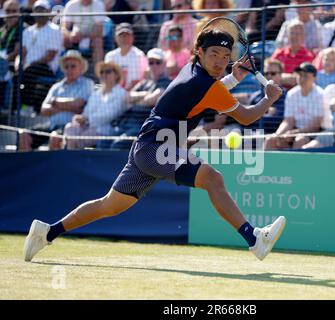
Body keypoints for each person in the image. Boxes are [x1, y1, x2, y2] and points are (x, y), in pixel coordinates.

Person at [23, 28, 286, 262]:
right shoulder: (207, 85)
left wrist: (235, 78)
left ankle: (47, 232)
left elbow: (208, 95)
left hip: (147, 147)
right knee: (212, 178)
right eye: (214, 54)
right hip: (156, 148)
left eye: (225, 57)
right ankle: (254, 239)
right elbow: (247, 116)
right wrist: (269, 98)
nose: (220, 62)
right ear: (200, 52)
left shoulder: (190, 69)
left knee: (108, 205)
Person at [18, 50, 93, 151]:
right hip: (51, 125)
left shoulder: (87, 84)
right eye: (66, 67)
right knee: (24, 135)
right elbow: (43, 110)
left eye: (73, 66)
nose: (69, 69)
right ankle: (28, 165)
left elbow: (79, 106)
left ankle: (53, 167)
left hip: (71, 128)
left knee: (55, 137)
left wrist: (55, 103)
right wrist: (68, 106)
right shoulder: (56, 87)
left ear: (81, 68)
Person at [110, 48, 172, 149]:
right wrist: (146, 94)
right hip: (128, 122)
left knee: (117, 144)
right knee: (104, 141)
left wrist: (136, 100)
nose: (154, 65)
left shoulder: (168, 82)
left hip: (146, 126)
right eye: (151, 62)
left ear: (164, 64)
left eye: (158, 62)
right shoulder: (144, 83)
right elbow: (126, 97)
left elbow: (152, 100)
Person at [62, 61, 128, 149]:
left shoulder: (121, 93)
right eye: (101, 72)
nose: (104, 74)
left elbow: (109, 115)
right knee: (70, 127)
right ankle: (71, 154)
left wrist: (87, 120)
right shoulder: (96, 93)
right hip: (87, 126)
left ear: (116, 75)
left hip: (105, 130)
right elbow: (86, 111)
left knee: (76, 139)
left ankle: (69, 156)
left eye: (108, 71)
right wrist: (81, 118)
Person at [264, 62, 324, 150]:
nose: (301, 77)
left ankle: (295, 164)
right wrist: (279, 134)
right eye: (299, 74)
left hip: (316, 133)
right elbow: (288, 121)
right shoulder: (291, 94)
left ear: (314, 78)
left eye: (305, 75)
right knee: (271, 139)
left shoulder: (319, 94)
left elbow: (316, 125)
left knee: (300, 140)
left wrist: (294, 133)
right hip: (295, 131)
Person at [20, 0, 62, 113]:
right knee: (15, 74)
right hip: (28, 67)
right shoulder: (27, 31)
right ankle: (17, 106)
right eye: (37, 10)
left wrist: (31, 64)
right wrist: (18, 64)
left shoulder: (54, 30)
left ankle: (27, 106)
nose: (40, 13)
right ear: (33, 12)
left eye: (42, 10)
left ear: (48, 12)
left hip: (46, 67)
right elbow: (22, 53)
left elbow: (50, 56)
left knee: (28, 72)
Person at [271, 20, 315, 88]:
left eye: (298, 33)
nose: (294, 36)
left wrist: (280, 77)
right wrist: (289, 78)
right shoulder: (279, 53)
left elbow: (306, 78)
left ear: (303, 36)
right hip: (277, 91)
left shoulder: (308, 56)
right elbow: (269, 73)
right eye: (292, 33)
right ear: (287, 35)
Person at [104, 22, 148, 90]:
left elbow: (138, 81)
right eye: (121, 35)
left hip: (133, 91)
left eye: (127, 35)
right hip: (113, 91)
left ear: (133, 37)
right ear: (115, 38)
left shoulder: (139, 55)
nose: (124, 38)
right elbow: (107, 79)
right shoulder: (110, 56)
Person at [62, 0, 105, 65]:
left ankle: (98, 70)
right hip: (75, 36)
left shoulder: (99, 5)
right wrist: (70, 35)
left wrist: (83, 36)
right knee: (63, 39)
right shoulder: (71, 4)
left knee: (98, 41)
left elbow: (99, 31)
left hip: (91, 36)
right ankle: (64, 68)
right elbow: (64, 28)